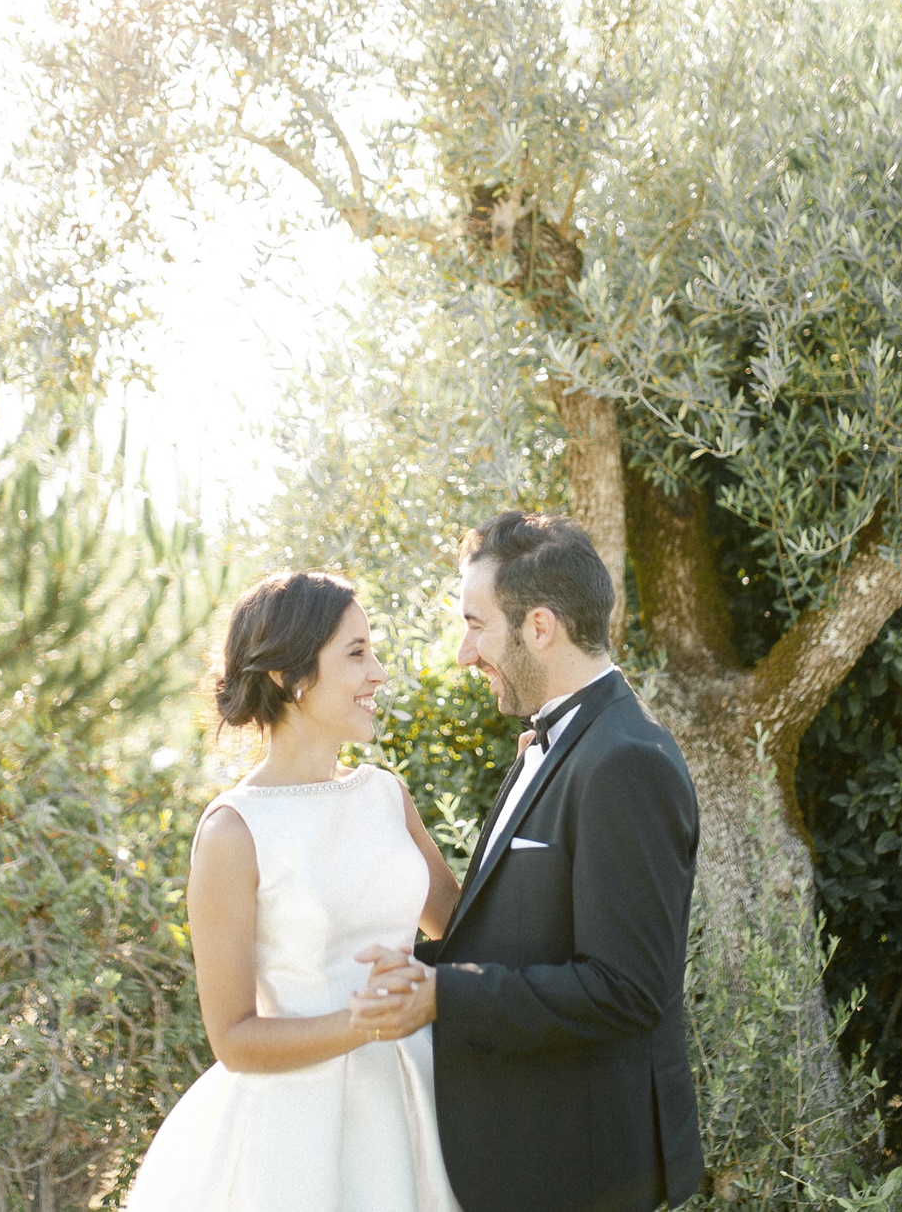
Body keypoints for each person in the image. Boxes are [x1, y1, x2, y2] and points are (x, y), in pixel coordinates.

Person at [359, 511, 705, 1212]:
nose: (464, 652)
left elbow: (624, 988)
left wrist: (441, 996)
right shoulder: (553, 744)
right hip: (530, 1159)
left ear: (539, 627)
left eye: (476, 625)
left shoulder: (624, 761)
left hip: (584, 1171)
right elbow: (517, 934)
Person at [126, 570, 464, 1212]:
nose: (379, 674)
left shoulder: (384, 795)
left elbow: (464, 924)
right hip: (293, 1134)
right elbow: (232, 1037)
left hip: (419, 1098)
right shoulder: (234, 831)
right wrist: (359, 1024)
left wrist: (530, 797)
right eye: (357, 653)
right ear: (290, 676)